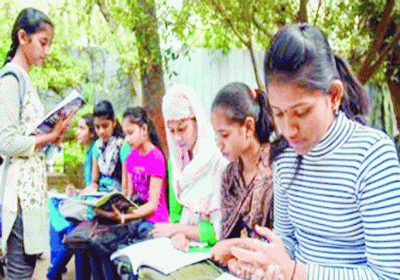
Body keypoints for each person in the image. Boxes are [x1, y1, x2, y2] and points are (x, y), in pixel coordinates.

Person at [211, 23, 400, 280]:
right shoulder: (285, 159)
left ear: (334, 95)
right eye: (278, 113)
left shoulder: (373, 157)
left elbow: (388, 275)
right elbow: (286, 247)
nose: (288, 129)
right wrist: (263, 265)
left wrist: (294, 273)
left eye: (301, 112)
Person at [0, 8, 72, 279]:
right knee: (18, 272)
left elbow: (30, 141)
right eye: (43, 42)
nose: (47, 50)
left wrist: (53, 136)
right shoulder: (9, 80)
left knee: (28, 269)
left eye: (49, 43)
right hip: (17, 196)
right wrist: (49, 137)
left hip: (31, 194)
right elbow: (6, 142)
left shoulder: (26, 81)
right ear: (23, 37)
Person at [138, 84, 229, 279]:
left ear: (197, 121)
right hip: (182, 251)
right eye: (171, 131)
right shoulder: (176, 164)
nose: (177, 138)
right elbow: (176, 214)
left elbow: (217, 232)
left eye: (182, 128)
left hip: (212, 254)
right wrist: (177, 234)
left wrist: (177, 230)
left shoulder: (218, 162)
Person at [210, 82, 274, 279]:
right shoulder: (229, 176)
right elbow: (225, 239)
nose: (219, 144)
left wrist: (234, 251)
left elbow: (281, 243)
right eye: (216, 135)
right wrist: (232, 262)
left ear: (248, 126)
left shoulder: (276, 171)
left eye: (224, 135)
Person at [95, 106, 169, 225]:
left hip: (155, 220)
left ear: (144, 129)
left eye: (131, 133)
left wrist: (126, 216)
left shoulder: (156, 157)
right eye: (125, 134)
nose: (127, 139)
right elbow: (129, 195)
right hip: (135, 217)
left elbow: (152, 205)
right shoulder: (131, 156)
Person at [47, 114, 97, 280]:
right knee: (53, 205)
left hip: (94, 206)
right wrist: (77, 191)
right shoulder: (88, 151)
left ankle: (53, 271)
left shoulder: (95, 151)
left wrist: (80, 193)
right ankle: (54, 269)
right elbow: (90, 185)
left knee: (71, 231)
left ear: (92, 132)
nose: (77, 132)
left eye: (82, 128)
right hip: (86, 201)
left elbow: (96, 186)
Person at [87, 100, 124, 193]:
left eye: (105, 126)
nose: (101, 131)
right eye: (97, 127)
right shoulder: (97, 146)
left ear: (114, 122)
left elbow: (126, 186)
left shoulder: (122, 146)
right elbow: (94, 182)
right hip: (100, 194)